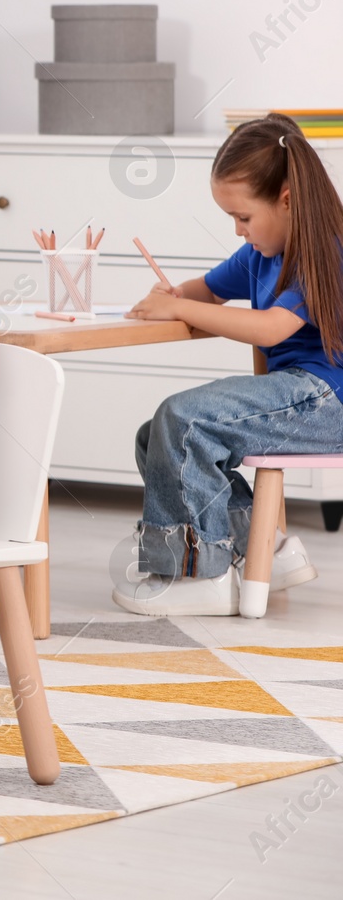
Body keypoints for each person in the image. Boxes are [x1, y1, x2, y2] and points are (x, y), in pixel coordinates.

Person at [115, 113, 341, 616]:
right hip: (295, 394)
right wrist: (172, 294)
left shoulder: (323, 249)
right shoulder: (260, 254)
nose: (239, 232)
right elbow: (207, 290)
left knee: (184, 417)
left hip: (327, 401)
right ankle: (264, 551)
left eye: (243, 217)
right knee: (157, 437)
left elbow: (270, 329)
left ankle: (201, 574)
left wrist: (180, 308)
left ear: (285, 198)